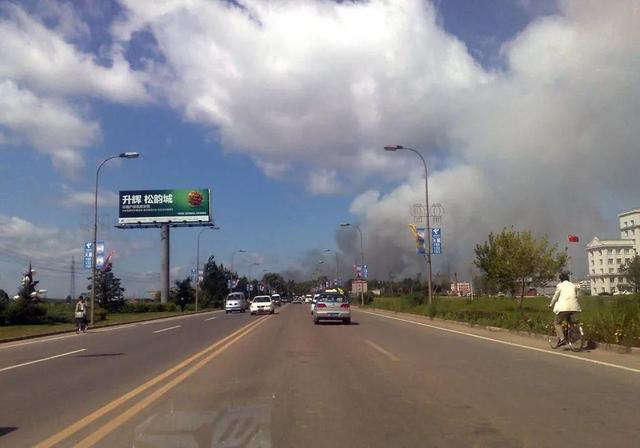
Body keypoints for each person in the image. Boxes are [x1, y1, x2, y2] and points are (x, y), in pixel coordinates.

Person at [549, 273, 581, 345]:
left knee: (556, 323)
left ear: (560, 279)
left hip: (564, 307)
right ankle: (576, 335)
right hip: (574, 307)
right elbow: (577, 295)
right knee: (570, 321)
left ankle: (562, 339)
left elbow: (555, 297)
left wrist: (551, 305)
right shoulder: (573, 285)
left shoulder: (560, 285)